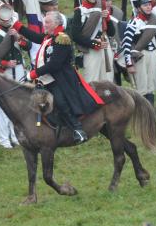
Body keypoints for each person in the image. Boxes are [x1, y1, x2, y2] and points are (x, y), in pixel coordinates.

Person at [13, 11, 105, 143]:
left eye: (47, 22)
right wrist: (16, 25)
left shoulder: (62, 39)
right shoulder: (49, 37)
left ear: (57, 23)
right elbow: (33, 36)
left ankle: (78, 129)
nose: (44, 25)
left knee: (61, 102)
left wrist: (33, 73)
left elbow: (54, 65)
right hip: (48, 77)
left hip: (61, 79)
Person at [0, 3, 31, 148]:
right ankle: (4, 139)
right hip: (4, 72)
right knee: (4, 106)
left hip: (18, 70)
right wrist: (4, 63)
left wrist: (19, 38)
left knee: (18, 105)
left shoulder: (15, 30)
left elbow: (28, 46)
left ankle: (16, 135)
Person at [122, 0, 156, 106]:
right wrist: (129, 63)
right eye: (145, 5)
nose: (148, 7)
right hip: (140, 56)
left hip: (154, 54)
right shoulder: (133, 23)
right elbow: (127, 44)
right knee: (141, 86)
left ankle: (150, 111)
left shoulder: (153, 21)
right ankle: (141, 112)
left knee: (151, 85)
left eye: (149, 4)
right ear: (138, 8)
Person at [71, 0, 115, 83]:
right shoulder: (79, 11)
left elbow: (112, 32)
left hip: (105, 46)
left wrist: (108, 19)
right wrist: (95, 44)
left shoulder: (102, 6)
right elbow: (75, 36)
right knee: (92, 82)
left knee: (108, 82)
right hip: (91, 50)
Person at [96, 0, 128, 86]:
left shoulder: (118, 13)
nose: (107, 3)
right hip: (101, 49)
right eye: (105, 0)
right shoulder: (94, 13)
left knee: (117, 82)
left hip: (117, 49)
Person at [29, 0, 67, 66]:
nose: (55, 7)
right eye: (51, 5)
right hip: (40, 56)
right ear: (43, 6)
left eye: (56, 3)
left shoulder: (62, 17)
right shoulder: (38, 21)